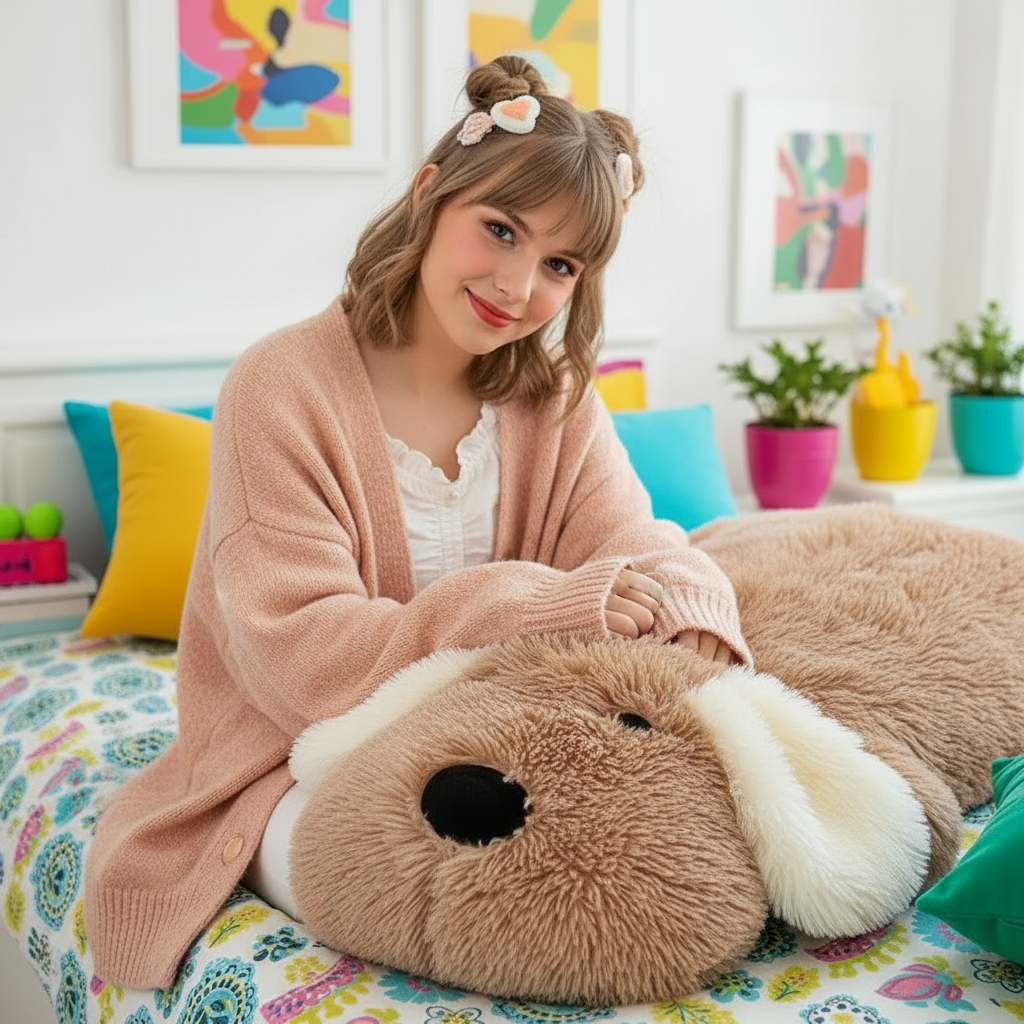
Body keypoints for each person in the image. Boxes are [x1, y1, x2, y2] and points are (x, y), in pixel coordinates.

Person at [84, 55, 751, 990]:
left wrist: (689, 607)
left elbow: (635, 543)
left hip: (506, 745)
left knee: (700, 832)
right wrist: (528, 607)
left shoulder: (554, 395)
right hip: (294, 759)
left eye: (559, 265)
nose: (518, 286)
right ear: (430, 193)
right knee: (486, 893)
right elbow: (302, 662)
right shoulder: (279, 386)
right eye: (501, 230)